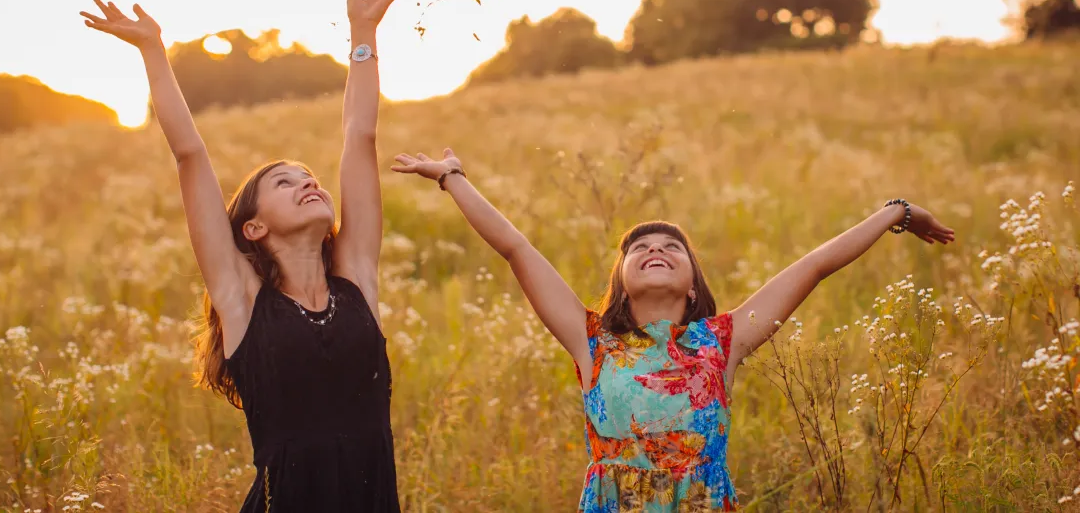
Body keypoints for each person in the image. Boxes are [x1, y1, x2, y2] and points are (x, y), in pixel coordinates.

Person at [391, 148, 955, 512]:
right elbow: (516, 248)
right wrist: (452, 177)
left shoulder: (723, 340)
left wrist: (894, 213)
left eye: (671, 248)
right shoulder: (591, 340)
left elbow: (812, 266)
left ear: (692, 286)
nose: (655, 250)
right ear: (621, 281)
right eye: (640, 248)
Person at [80, 0, 411, 512]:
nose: (310, 181)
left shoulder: (355, 277)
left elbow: (360, 135)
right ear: (252, 228)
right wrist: (153, 50)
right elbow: (190, 153)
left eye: (310, 176)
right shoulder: (241, 297)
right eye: (286, 181)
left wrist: (363, 35)